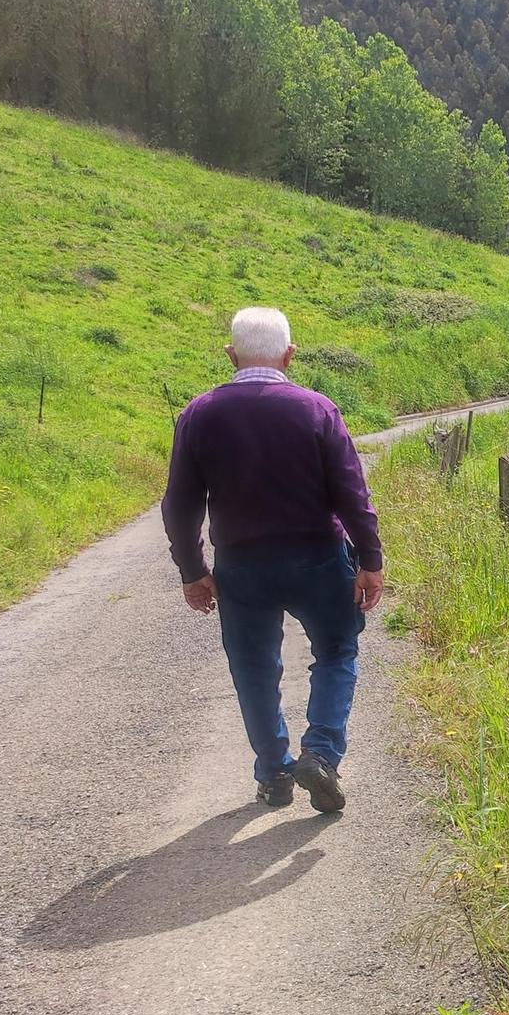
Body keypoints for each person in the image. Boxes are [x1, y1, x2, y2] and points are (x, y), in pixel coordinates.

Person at [161, 307, 384, 814]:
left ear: (231, 354)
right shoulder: (317, 409)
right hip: (319, 562)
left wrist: (193, 572)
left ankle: (274, 774)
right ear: (289, 355)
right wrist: (370, 558)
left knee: (254, 670)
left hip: (242, 568)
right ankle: (321, 754)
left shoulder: (200, 413)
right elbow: (352, 493)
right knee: (337, 651)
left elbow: (179, 505)